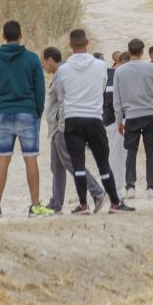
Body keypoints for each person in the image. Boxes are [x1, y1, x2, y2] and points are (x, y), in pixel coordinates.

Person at [54, 29, 133, 214]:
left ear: (70, 45)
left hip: (73, 118)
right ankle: (115, 202)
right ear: (87, 42)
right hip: (94, 117)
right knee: (103, 162)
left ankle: (83, 204)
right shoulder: (99, 66)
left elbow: (60, 95)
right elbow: (102, 88)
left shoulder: (63, 69)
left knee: (78, 164)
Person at [0, 19, 48, 218]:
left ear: (3, 36)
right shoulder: (32, 59)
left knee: (2, 159)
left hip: (4, 113)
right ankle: (35, 205)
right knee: (31, 159)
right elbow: (40, 89)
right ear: (20, 36)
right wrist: (37, 112)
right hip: (27, 112)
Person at [41, 47, 106, 214]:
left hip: (63, 126)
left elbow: (65, 101)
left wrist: (63, 125)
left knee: (71, 162)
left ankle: (97, 191)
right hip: (57, 127)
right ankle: (56, 203)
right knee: (57, 166)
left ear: (49, 60)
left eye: (43, 61)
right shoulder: (61, 73)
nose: (43, 65)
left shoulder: (64, 73)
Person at [114, 37, 153, 200]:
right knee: (151, 152)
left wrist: (119, 119)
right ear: (142, 52)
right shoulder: (151, 68)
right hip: (149, 113)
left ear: (129, 51)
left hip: (131, 115)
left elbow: (117, 98)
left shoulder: (120, 71)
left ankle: (130, 187)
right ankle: (151, 187)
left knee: (131, 152)